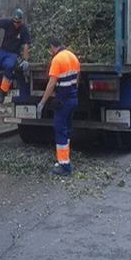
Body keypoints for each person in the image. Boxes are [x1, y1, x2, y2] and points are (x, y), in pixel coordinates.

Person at [37, 38, 80, 176]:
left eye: (50, 50)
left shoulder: (57, 60)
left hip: (63, 101)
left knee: (60, 129)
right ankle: (65, 159)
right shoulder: (73, 57)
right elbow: (77, 79)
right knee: (67, 129)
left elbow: (51, 84)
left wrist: (43, 102)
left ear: (52, 47)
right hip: (73, 99)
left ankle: (64, 165)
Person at [0, 8, 31, 104]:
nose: (16, 24)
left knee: (9, 66)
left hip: (13, 54)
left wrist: (26, 60)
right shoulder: (8, 23)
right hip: (2, 51)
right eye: (14, 22)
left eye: (18, 22)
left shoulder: (24, 29)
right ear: (13, 19)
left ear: (21, 21)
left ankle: (2, 92)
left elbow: (26, 45)